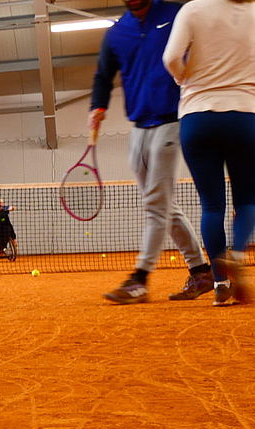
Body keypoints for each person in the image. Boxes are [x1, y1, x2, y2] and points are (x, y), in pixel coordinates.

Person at [90, 0, 213, 305]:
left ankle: (140, 279)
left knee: (156, 205)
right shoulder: (117, 32)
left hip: (172, 121)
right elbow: (103, 74)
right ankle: (201, 271)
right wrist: (98, 105)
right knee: (164, 206)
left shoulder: (177, 14)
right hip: (138, 128)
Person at [163, 0, 255, 306]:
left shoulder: (192, 9)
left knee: (212, 206)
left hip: (197, 116)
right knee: (248, 201)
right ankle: (237, 254)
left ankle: (220, 283)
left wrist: (183, 78)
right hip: (245, 115)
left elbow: (171, 57)